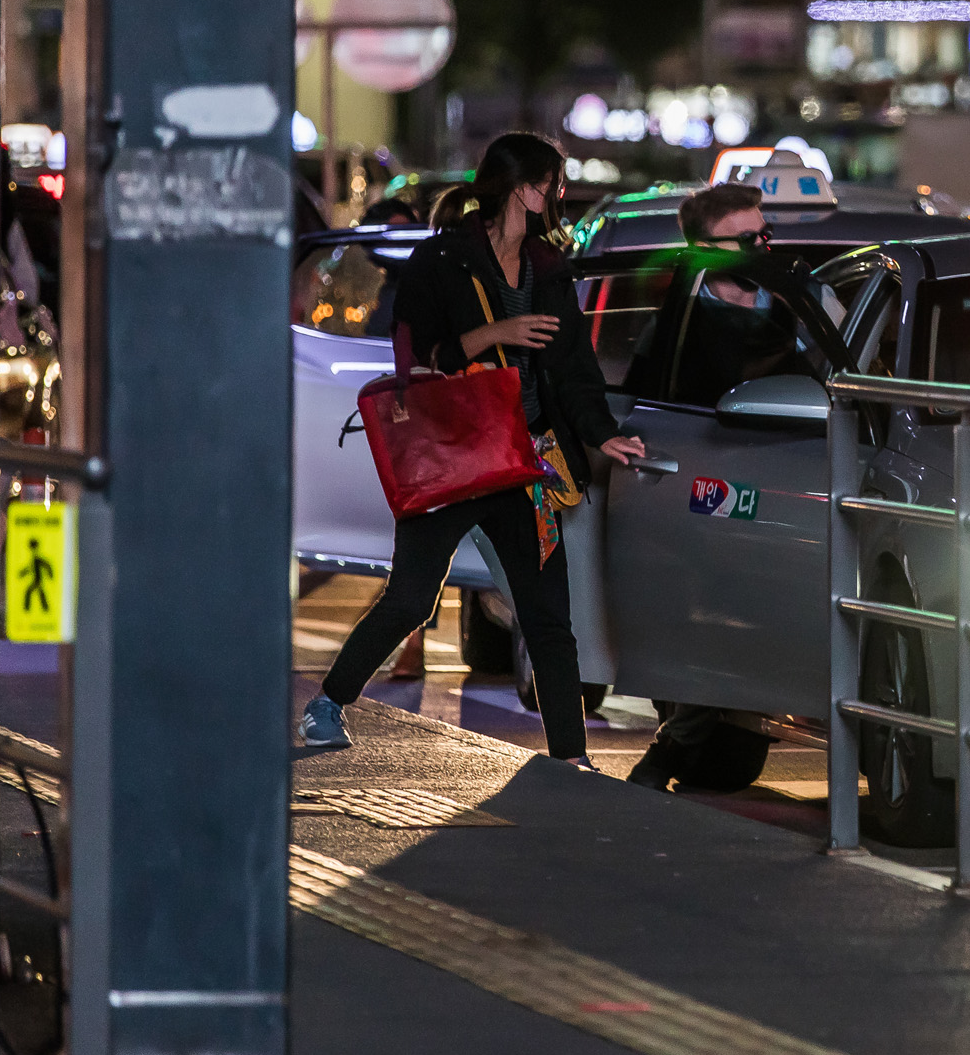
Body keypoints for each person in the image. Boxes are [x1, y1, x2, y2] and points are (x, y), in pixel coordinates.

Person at [299, 132, 648, 766]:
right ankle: (328, 702)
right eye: (554, 183)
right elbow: (419, 356)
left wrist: (601, 434)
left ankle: (570, 756)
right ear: (524, 188)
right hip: (454, 454)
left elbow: (573, 367)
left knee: (547, 617)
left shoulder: (548, 266)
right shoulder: (444, 259)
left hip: (524, 459)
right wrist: (498, 333)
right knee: (409, 599)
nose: (559, 195)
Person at [624, 182, 778, 791]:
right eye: (747, 238)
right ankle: (678, 735)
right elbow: (643, 402)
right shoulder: (679, 320)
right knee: (679, 615)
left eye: (765, 234)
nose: (762, 248)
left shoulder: (799, 304)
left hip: (781, 492)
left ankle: (677, 743)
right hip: (699, 491)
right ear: (707, 248)